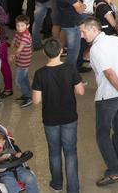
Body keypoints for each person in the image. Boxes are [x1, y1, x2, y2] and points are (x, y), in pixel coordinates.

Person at [80, 17, 118, 186]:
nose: (82, 36)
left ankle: (114, 171)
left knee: (102, 134)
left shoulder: (97, 49)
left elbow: (109, 73)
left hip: (108, 96)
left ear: (94, 30)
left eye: (83, 31)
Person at [31, 38, 83, 193]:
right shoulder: (70, 68)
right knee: (70, 152)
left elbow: (36, 100)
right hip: (69, 117)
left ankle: (57, 184)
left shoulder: (40, 74)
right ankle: (73, 189)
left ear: (45, 53)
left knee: (54, 151)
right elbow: (80, 91)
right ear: (61, 51)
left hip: (50, 119)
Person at [54, 0, 85, 70]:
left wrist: (79, 4)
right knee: (73, 52)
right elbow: (80, 9)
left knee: (73, 50)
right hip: (71, 24)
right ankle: (69, 75)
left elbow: (77, 2)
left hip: (67, 21)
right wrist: (83, 6)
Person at [10, 15, 32, 107]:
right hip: (21, 60)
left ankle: (28, 97)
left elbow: (18, 50)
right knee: (24, 78)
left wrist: (12, 54)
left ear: (27, 26)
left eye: (22, 25)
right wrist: (14, 47)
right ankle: (28, 94)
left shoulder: (25, 37)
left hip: (24, 61)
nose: (19, 28)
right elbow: (13, 42)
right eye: (17, 25)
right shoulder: (19, 32)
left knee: (19, 81)